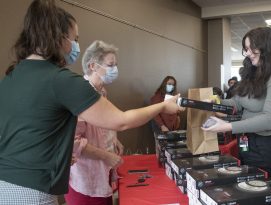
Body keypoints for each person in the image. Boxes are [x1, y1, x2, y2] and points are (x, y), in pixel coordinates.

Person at [0, 1, 181, 204]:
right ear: (58, 38)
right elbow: (121, 121)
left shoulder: (12, 76)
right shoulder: (61, 80)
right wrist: (163, 106)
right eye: (74, 39)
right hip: (33, 191)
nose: (76, 46)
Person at [202, 27, 271, 177]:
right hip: (245, 143)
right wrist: (215, 102)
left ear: (266, 47)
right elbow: (237, 103)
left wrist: (228, 126)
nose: (248, 53)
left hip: (263, 147)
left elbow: (269, 120)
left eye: (252, 49)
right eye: (246, 49)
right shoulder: (253, 74)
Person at [64, 41, 124, 205]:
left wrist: (114, 140)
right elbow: (73, 142)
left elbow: (103, 124)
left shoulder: (102, 92)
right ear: (92, 66)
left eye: (116, 65)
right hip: (85, 182)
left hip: (103, 176)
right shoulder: (80, 94)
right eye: (110, 65)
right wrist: (106, 156)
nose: (114, 70)